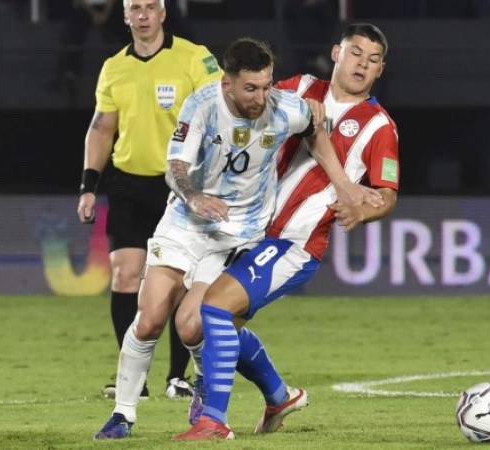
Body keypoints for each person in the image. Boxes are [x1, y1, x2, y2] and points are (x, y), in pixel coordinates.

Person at [93, 35, 374, 440]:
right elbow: (175, 167)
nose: (262, 97)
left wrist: (343, 183)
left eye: (266, 85)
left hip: (236, 237)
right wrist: (195, 196)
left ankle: (206, 384)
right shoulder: (203, 106)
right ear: (227, 83)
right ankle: (123, 413)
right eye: (251, 88)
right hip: (186, 223)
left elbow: (314, 129)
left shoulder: (283, 108)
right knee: (151, 318)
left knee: (192, 326)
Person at [172, 22, 399, 441]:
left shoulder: (379, 126)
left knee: (218, 307)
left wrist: (362, 211)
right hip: (246, 229)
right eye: (355, 53)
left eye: (372, 60)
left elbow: (386, 194)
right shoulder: (300, 90)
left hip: (294, 242)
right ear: (336, 53)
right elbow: (251, 105)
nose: (361, 64)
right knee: (190, 324)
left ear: (380, 70)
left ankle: (213, 420)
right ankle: (280, 397)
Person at [76, 0, 222, 403]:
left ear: (162, 13)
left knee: (177, 282)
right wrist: (89, 185)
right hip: (128, 185)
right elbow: (102, 127)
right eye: (134, 8)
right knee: (125, 275)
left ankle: (177, 376)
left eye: (149, 7)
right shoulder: (114, 67)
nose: (142, 15)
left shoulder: (194, 58)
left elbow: (221, 113)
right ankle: (132, 380)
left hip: (181, 188)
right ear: (125, 16)